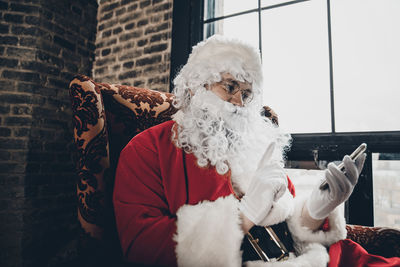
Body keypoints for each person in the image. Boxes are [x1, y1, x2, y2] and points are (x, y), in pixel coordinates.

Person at [113, 35, 400, 266]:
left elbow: (289, 225)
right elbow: (142, 249)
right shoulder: (146, 150)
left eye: (247, 94)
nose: (240, 102)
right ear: (195, 88)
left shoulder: (257, 143)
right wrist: (245, 215)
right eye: (230, 87)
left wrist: (317, 209)